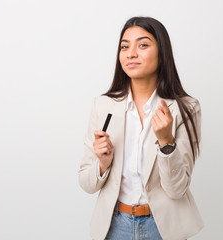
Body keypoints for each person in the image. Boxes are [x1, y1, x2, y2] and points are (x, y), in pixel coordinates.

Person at [78, 16, 204, 240]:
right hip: (114, 226)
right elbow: (86, 183)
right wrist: (102, 164)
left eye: (143, 45)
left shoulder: (185, 108)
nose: (131, 53)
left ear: (162, 52)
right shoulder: (103, 106)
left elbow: (177, 189)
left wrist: (166, 143)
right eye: (125, 47)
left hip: (162, 228)